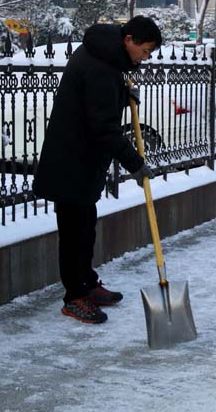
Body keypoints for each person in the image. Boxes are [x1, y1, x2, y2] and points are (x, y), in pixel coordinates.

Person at [33, 16, 162, 324]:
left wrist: (122, 95)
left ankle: (87, 283)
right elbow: (103, 127)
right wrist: (135, 164)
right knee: (74, 232)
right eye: (145, 50)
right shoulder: (101, 65)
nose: (146, 57)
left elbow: (96, 101)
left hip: (83, 158)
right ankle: (74, 297)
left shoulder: (104, 55)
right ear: (128, 40)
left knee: (85, 226)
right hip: (71, 160)